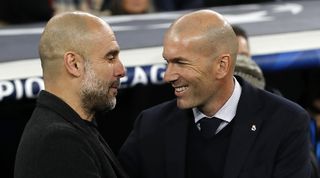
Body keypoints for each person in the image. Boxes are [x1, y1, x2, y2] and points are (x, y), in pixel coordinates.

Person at [118, 9, 311, 178]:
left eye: (181, 63)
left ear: (221, 66)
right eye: (167, 63)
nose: (168, 76)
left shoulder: (285, 122)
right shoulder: (151, 125)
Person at [14, 11, 128, 178]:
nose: (121, 70)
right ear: (74, 64)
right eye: (110, 58)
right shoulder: (58, 142)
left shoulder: (76, 127)